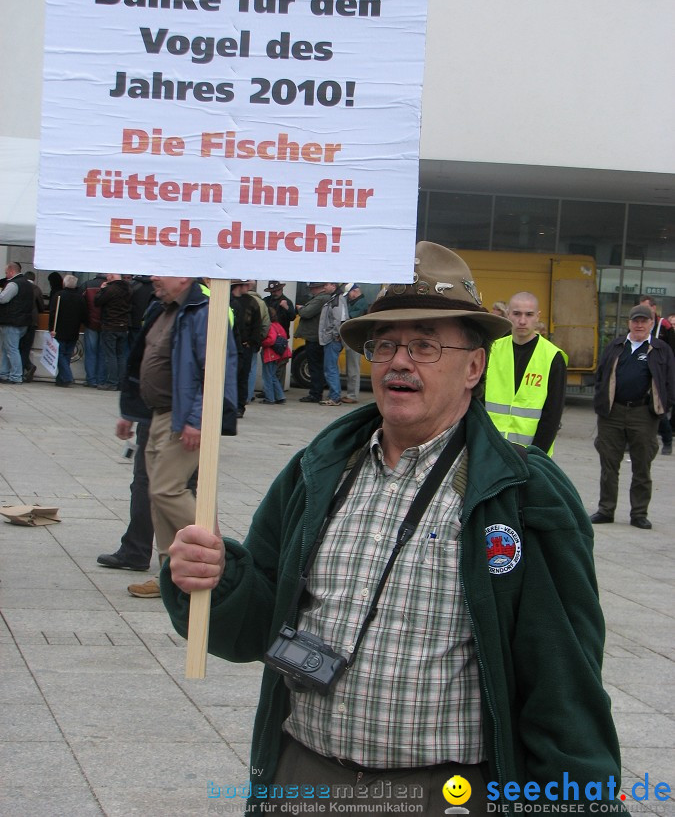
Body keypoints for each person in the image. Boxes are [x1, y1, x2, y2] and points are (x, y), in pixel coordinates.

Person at [162, 242, 625, 815]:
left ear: (474, 367)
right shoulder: (319, 469)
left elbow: (564, 685)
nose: (398, 362)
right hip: (303, 778)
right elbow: (255, 625)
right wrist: (215, 578)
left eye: (425, 344)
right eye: (384, 345)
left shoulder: (525, 495)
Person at [122, 275, 237, 599]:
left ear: (183, 275)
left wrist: (197, 418)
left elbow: (215, 369)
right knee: (159, 501)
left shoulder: (203, 310)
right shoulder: (163, 308)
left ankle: (217, 558)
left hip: (182, 415)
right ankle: (169, 575)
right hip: (158, 414)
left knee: (166, 490)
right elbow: (142, 360)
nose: (154, 277)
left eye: (162, 271)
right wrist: (129, 412)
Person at [590, 303, 675, 530]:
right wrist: (601, 402)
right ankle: (606, 509)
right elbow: (601, 375)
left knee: (642, 465)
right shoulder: (616, 346)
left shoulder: (661, 350)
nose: (639, 325)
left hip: (643, 414)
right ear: (629, 322)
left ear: (651, 323)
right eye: (635, 320)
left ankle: (639, 513)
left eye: (644, 321)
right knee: (608, 464)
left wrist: (664, 407)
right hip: (612, 412)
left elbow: (669, 381)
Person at [485, 291, 567, 455]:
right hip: (490, 450)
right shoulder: (492, 349)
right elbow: (478, 402)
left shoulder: (553, 357)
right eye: (517, 314)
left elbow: (552, 416)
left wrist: (536, 456)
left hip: (531, 455)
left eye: (529, 315)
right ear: (508, 315)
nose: (522, 321)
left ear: (537, 316)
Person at [639, 295, 675, 455]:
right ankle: (630, 441)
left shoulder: (664, 326)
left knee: (658, 409)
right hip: (641, 371)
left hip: (659, 373)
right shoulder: (637, 325)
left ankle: (667, 440)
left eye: (646, 307)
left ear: (654, 308)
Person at [230, 279, 263, 418]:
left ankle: (239, 406)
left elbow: (257, 325)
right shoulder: (228, 300)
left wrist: (252, 343)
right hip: (231, 346)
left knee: (243, 377)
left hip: (245, 347)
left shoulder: (252, 302)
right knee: (231, 377)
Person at [295, 281, 331, 404]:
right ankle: (317, 392)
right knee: (318, 366)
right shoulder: (324, 298)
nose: (310, 290)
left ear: (317, 288)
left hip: (314, 338)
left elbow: (306, 313)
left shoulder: (320, 299)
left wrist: (300, 308)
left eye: (312, 288)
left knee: (314, 367)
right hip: (317, 337)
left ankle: (315, 394)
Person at [95, 274, 131, 391]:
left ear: (111, 277)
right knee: (121, 355)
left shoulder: (110, 289)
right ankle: (121, 382)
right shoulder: (129, 289)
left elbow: (98, 301)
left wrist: (102, 290)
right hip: (123, 325)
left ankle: (112, 382)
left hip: (110, 325)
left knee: (110, 355)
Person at [49, 274, 86, 387]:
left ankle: (67, 376)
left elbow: (53, 313)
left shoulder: (59, 295)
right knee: (66, 355)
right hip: (73, 330)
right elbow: (83, 315)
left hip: (59, 330)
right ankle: (62, 379)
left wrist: (51, 329)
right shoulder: (80, 298)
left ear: (64, 283)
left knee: (60, 355)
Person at [0, 261, 33, 385]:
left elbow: (3, 299)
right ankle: (3, 373)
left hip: (11, 321)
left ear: (12, 271)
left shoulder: (13, 284)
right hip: (23, 322)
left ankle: (15, 376)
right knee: (7, 348)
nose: (5, 274)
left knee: (11, 350)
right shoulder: (27, 284)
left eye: (6, 272)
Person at [318, 282, 348, 406]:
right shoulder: (334, 299)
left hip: (331, 339)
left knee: (330, 369)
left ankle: (335, 397)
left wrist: (335, 335)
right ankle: (333, 395)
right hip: (331, 338)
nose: (324, 287)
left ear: (334, 286)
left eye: (326, 285)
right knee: (330, 368)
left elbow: (338, 320)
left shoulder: (337, 300)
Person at [263, 281, 297, 391]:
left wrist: (286, 307)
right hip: (270, 335)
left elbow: (292, 316)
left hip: (281, 337)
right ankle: (269, 390)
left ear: (281, 290)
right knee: (269, 364)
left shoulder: (287, 301)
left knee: (280, 365)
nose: (274, 293)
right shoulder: (266, 301)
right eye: (273, 291)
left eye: (276, 290)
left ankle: (278, 390)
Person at [341, 283, 368, 404]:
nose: (349, 297)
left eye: (350, 294)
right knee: (351, 367)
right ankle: (350, 394)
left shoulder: (361, 303)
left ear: (355, 291)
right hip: (352, 337)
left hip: (355, 338)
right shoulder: (356, 302)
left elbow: (349, 318)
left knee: (353, 368)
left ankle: (352, 395)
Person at [80, 273, 107, 388]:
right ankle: (101, 379)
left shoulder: (87, 285)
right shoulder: (109, 286)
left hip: (91, 323)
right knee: (102, 353)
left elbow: (81, 302)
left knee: (91, 352)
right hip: (106, 324)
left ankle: (91, 379)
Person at [246, 280, 271, 403]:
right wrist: (260, 337)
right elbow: (266, 324)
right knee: (251, 368)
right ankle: (249, 395)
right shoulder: (261, 303)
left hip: (239, 341)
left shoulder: (235, 299)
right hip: (254, 341)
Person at [259, 306, 289, 404]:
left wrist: (262, 342)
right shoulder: (278, 325)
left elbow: (271, 340)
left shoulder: (270, 326)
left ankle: (269, 398)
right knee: (273, 376)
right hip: (278, 354)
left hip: (269, 353)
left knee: (267, 376)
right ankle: (280, 396)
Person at [19, 270, 45, 382]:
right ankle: (26, 367)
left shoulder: (20, 286)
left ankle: (26, 368)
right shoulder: (37, 289)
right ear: (34, 279)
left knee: (19, 347)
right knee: (26, 348)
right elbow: (41, 307)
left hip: (21, 321)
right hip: (33, 322)